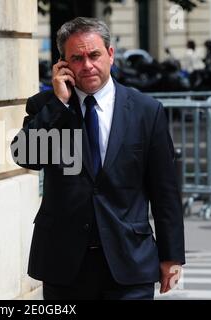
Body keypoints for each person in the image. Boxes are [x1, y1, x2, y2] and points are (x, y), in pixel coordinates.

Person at [11, 17, 185, 300]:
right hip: (64, 264)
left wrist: (172, 255)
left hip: (130, 262)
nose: (87, 65)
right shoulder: (47, 106)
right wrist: (58, 104)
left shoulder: (146, 110)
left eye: (94, 55)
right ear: (63, 64)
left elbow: (165, 190)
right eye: (76, 58)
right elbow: (26, 156)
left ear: (111, 54)